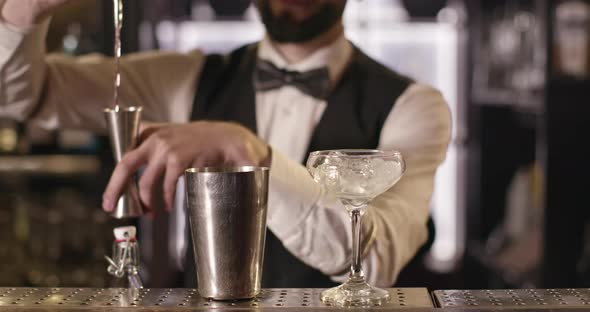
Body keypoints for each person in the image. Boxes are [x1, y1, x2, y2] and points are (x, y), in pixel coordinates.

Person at [0, 0, 451, 287]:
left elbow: (373, 263)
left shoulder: (415, 106)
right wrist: (23, 12)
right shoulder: (186, 79)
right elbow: (25, 96)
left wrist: (247, 149)